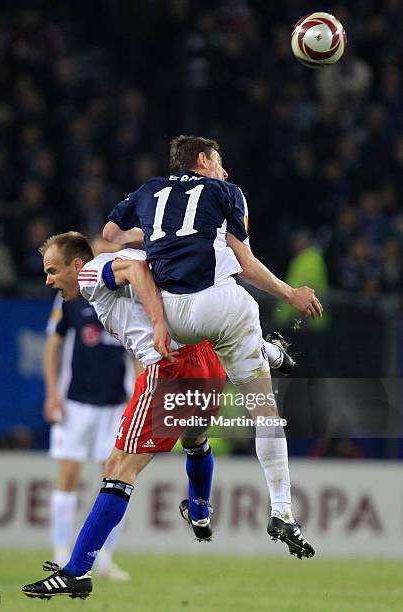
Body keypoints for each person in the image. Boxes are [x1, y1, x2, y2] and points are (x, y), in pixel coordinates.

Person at [21, 232, 295, 600]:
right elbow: (150, 271)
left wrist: (158, 325)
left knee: (118, 468)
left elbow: (134, 268)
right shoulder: (127, 267)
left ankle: (77, 570)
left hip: (171, 369)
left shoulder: (90, 273)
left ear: (75, 265)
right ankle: (198, 512)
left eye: (53, 271)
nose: (49, 280)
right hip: (205, 362)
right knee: (194, 438)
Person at [104, 135, 322, 559]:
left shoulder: (149, 190)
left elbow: (111, 236)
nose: (224, 169)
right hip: (218, 307)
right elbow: (245, 260)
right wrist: (289, 292)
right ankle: (282, 510)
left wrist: (151, 234)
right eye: (219, 161)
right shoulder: (226, 192)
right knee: (265, 412)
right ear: (202, 160)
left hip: (168, 316)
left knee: (212, 255)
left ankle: (264, 350)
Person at [44, 289, 132, 580]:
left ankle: (104, 559)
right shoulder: (70, 298)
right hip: (75, 403)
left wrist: (139, 399)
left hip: (116, 404)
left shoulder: (128, 296)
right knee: (69, 474)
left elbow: (137, 351)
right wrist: (52, 394)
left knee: (117, 478)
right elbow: (54, 343)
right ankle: (60, 554)